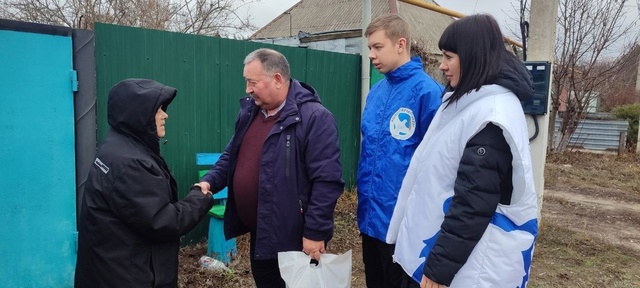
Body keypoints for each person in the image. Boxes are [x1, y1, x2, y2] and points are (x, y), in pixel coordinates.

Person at [386, 14, 539, 288]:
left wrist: (438, 270)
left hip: (464, 270)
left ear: (472, 57)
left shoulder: (490, 117)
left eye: (449, 57)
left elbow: (473, 205)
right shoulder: (469, 101)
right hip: (436, 249)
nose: (442, 66)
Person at [197, 48, 345, 288]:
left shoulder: (315, 118)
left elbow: (327, 181)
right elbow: (231, 156)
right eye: (247, 82)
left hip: (295, 240)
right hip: (262, 233)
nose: (248, 89)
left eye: (252, 82)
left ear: (277, 79)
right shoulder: (250, 113)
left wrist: (315, 232)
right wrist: (210, 181)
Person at [75, 79, 215, 288]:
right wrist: (200, 197)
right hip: (128, 276)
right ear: (139, 115)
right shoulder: (131, 163)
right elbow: (163, 222)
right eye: (158, 109)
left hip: (109, 269)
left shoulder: (118, 145)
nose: (165, 115)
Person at [356, 13, 443, 288]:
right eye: (369, 48)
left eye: (377, 47)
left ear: (400, 44)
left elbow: (437, 163)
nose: (371, 54)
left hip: (403, 223)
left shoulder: (428, 93)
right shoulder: (376, 91)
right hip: (370, 218)